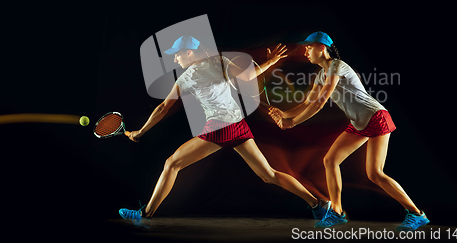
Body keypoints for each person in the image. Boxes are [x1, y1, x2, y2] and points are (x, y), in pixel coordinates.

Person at [118, 35, 329, 225]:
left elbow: (164, 107)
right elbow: (248, 76)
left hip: (219, 127)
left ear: (189, 52)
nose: (175, 59)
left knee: (171, 164)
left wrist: (141, 132)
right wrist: (271, 62)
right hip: (237, 124)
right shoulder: (218, 61)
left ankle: (145, 214)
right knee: (269, 175)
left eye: (178, 55)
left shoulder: (189, 75)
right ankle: (317, 204)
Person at [269, 31, 429, 231]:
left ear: (322, 48)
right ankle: (337, 212)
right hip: (359, 122)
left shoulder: (337, 66)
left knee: (375, 174)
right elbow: (309, 102)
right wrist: (284, 114)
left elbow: (320, 102)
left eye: (309, 47)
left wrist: (293, 123)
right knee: (330, 160)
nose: (305, 51)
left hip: (376, 117)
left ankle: (417, 213)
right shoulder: (321, 74)